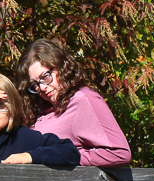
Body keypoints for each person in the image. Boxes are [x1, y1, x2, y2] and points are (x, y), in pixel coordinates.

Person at [14, 39, 132, 168]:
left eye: (45, 77)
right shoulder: (37, 110)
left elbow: (119, 153)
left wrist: (67, 156)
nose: (42, 87)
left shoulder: (83, 100)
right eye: (34, 84)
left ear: (61, 67)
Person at [0, 72, 79, 166]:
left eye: (0, 104)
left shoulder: (24, 138)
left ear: (12, 107)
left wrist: (30, 156)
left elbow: (70, 152)